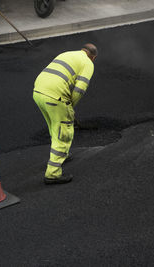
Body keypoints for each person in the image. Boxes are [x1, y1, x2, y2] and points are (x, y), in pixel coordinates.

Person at [33, 43, 98, 184]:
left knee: (54, 125)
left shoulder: (67, 53)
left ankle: (63, 154)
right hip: (55, 96)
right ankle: (53, 173)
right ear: (93, 57)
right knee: (64, 133)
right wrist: (70, 107)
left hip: (38, 91)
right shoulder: (88, 63)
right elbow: (80, 89)